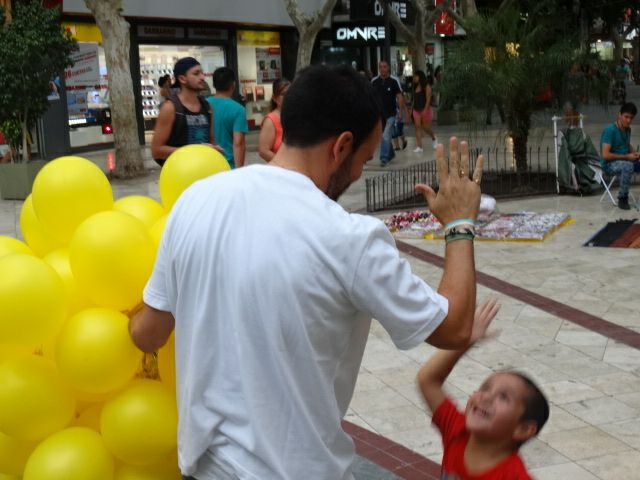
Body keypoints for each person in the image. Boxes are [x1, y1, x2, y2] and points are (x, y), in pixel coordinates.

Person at [130, 65, 485, 480]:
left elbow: (147, 334)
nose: (356, 175)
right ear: (342, 146)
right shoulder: (348, 238)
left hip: (204, 468)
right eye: (363, 160)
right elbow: (455, 327)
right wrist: (460, 224)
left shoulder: (196, 201)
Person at [418, 299, 549, 480]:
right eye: (485, 388)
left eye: (503, 397)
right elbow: (428, 380)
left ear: (523, 429)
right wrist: (467, 340)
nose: (486, 397)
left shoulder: (513, 476)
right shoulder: (457, 430)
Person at [151, 57, 216, 167]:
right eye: (196, 74)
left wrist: (214, 150)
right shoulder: (170, 108)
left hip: (203, 171)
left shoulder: (207, 106)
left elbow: (210, 142)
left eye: (202, 73)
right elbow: (156, 150)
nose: (202, 77)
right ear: (182, 79)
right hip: (180, 174)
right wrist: (195, 151)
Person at [600, 101, 640, 210]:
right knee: (628, 165)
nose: (628, 120)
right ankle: (622, 199)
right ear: (619, 115)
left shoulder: (627, 129)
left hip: (624, 159)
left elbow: (626, 144)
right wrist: (628, 157)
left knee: (633, 162)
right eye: (626, 117)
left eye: (631, 118)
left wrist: (634, 153)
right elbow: (605, 155)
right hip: (609, 164)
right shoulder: (610, 130)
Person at [207, 67, 248, 169]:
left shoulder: (203, 104)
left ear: (213, 85)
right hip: (228, 166)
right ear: (233, 85)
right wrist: (239, 171)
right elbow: (238, 143)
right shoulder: (238, 109)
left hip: (206, 163)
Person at [371, 60, 404, 166]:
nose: (382, 69)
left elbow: (399, 97)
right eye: (380, 67)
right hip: (378, 115)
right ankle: (391, 154)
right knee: (384, 136)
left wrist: (401, 112)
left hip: (391, 114)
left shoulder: (393, 81)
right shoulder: (374, 82)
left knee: (386, 135)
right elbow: (371, 97)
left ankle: (384, 158)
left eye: (384, 67)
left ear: (388, 68)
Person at [258, 78, 290, 162]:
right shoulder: (271, 120)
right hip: (281, 170)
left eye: (290, 93)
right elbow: (263, 151)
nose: (288, 97)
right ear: (274, 98)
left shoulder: (296, 116)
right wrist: (284, 164)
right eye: (283, 94)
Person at [411, 70, 437, 153]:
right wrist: (411, 110)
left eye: (416, 76)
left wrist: (425, 110)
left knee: (426, 128)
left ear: (420, 77)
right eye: (414, 76)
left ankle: (433, 137)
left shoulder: (426, 86)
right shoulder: (415, 86)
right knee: (417, 127)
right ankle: (419, 146)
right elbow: (414, 100)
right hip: (416, 110)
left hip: (425, 109)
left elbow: (428, 99)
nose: (414, 78)